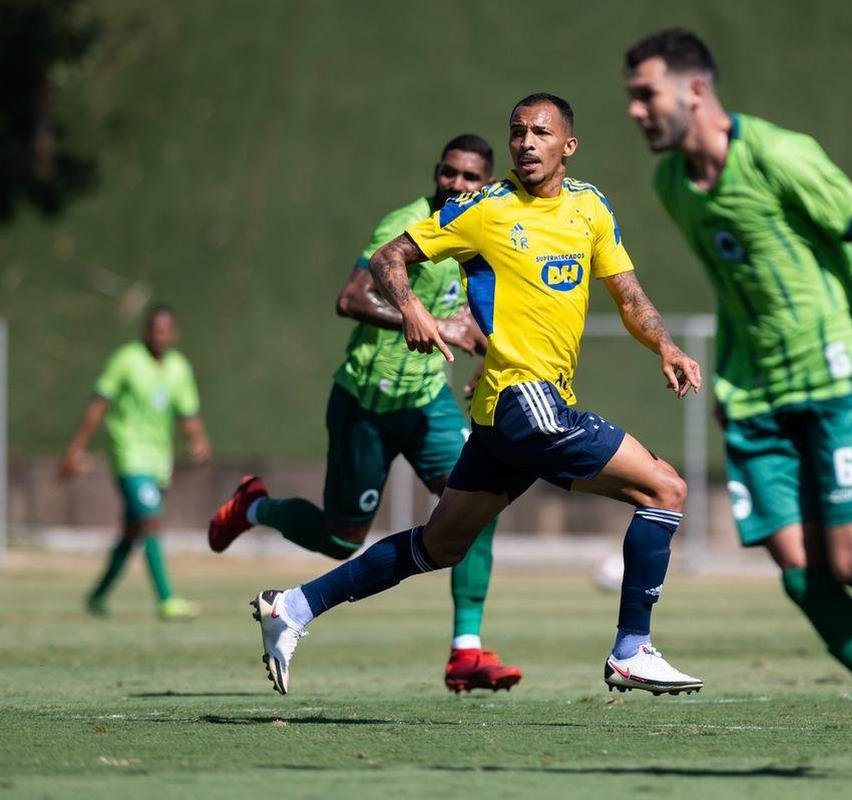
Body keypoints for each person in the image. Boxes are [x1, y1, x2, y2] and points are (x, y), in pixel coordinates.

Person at [624, 29, 852, 783]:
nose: (634, 111)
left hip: (831, 386)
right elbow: (739, 289)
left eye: (646, 94)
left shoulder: (779, 155)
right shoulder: (671, 188)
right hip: (755, 400)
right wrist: (731, 389)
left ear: (694, 91)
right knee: (802, 577)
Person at [247, 93, 706, 700]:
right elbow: (390, 259)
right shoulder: (483, 210)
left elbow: (629, 297)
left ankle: (295, 607)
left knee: (441, 544)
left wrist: (667, 347)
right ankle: (632, 649)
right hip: (524, 401)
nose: (526, 142)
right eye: (517, 132)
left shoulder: (590, 209)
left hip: (503, 420)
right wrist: (410, 307)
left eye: (540, 132)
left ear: (567, 145)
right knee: (665, 488)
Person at [207, 134, 522, 693]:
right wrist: (417, 316)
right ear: (436, 173)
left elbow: (482, 311)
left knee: (479, 502)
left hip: (428, 402)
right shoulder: (404, 225)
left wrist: (488, 349)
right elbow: (351, 298)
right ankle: (256, 507)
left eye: (470, 177)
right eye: (449, 173)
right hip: (366, 402)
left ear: (487, 183)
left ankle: (465, 651)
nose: (457, 184)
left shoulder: (483, 230)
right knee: (340, 537)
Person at [60, 305, 210, 620]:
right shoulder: (126, 360)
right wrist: (76, 449)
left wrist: (199, 441)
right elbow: (99, 404)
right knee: (151, 520)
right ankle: (166, 600)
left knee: (133, 531)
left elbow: (188, 414)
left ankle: (97, 596)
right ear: (145, 332)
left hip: (158, 462)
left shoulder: (179, 368)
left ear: (174, 334)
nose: (159, 336)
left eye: (165, 331)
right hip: (129, 456)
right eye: (154, 330)